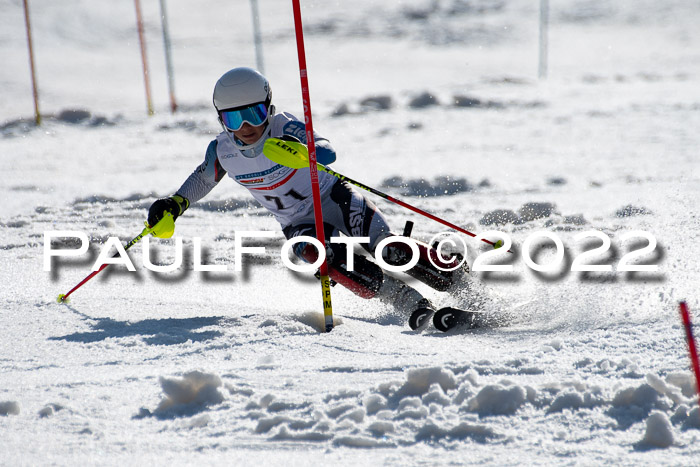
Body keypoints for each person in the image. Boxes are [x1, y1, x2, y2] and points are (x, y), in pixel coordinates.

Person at [147, 67, 468, 329]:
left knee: (392, 250)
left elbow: (327, 149)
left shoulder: (284, 127)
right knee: (334, 262)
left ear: (268, 110)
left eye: (254, 115)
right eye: (234, 119)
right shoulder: (223, 151)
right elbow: (202, 179)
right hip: (298, 224)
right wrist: (175, 204)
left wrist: (306, 153)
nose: (245, 127)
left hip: (335, 199)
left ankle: (461, 281)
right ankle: (411, 304)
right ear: (221, 120)